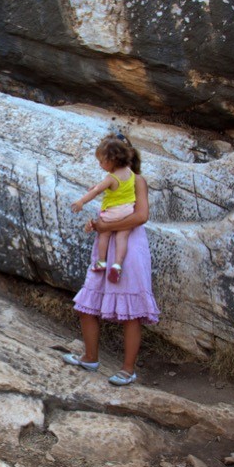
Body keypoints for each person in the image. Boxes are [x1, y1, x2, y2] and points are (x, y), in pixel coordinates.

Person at [63, 135, 159, 385]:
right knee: (87, 303)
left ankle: (128, 370)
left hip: (130, 249)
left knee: (131, 313)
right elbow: (106, 214)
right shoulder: (111, 184)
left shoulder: (138, 181)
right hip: (106, 245)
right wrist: (96, 224)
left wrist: (107, 225)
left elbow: (141, 216)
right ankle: (90, 357)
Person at [71, 134, 138, 283]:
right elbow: (120, 189)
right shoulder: (130, 173)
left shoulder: (110, 178)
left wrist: (81, 201)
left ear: (112, 160)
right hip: (128, 211)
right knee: (122, 237)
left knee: (104, 234)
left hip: (113, 212)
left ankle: (102, 261)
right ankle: (117, 265)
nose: (100, 165)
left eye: (101, 161)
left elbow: (96, 192)